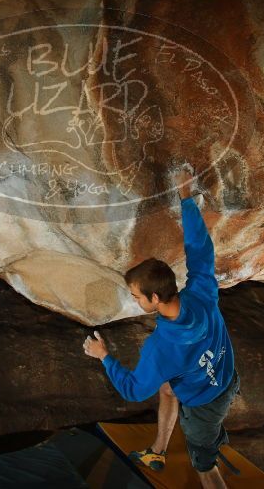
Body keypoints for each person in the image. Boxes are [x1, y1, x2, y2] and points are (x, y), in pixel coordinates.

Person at [83, 167, 239, 489]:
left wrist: (104, 357)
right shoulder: (201, 292)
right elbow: (200, 250)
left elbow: (133, 390)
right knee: (168, 388)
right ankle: (158, 451)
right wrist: (185, 196)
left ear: (154, 297)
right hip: (227, 372)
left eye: (136, 296)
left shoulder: (162, 348)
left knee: (205, 468)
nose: (135, 301)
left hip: (207, 400)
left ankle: (207, 448)